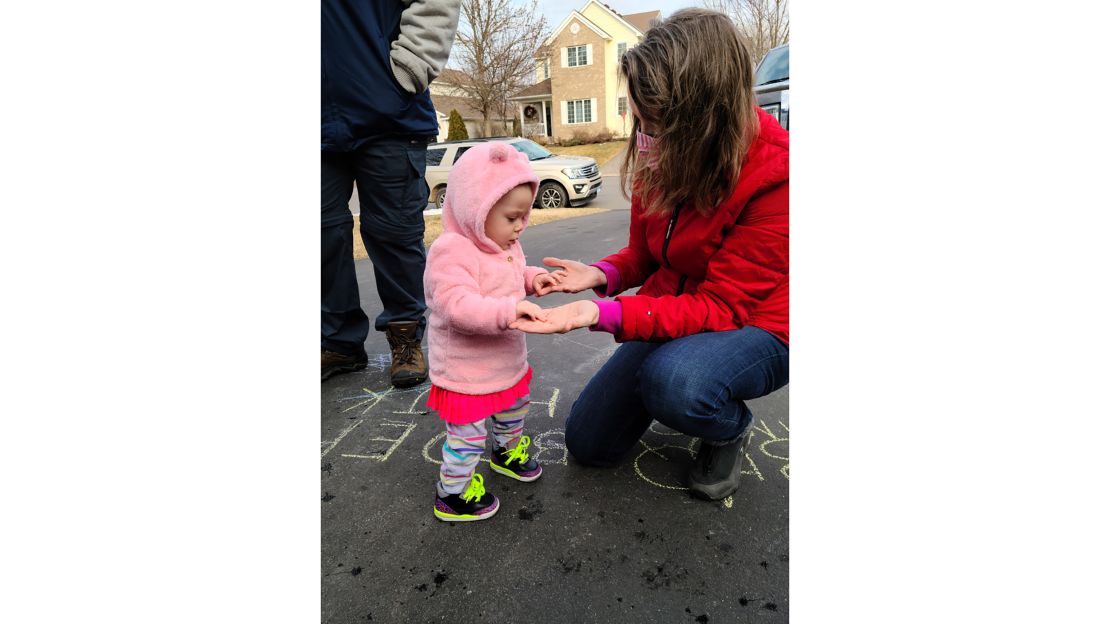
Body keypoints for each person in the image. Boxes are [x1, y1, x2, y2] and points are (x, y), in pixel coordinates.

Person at [512, 8, 789, 502]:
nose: (644, 138)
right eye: (640, 119)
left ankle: (727, 428)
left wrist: (600, 314)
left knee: (678, 382)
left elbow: (722, 307)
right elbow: (644, 255)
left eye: (656, 125)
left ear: (703, 118)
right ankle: (685, 375)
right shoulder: (660, 149)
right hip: (677, 306)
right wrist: (597, 277)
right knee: (589, 444)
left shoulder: (777, 177)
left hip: (757, 322)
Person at [321, 0, 462, 386]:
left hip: (388, 109)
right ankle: (336, 341)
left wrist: (407, 70)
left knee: (395, 231)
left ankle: (405, 336)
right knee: (320, 234)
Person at [423, 142, 563, 522]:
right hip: (466, 372)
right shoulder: (452, 251)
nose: (520, 225)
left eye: (524, 216)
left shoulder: (506, 245)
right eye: (511, 217)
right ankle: (452, 494)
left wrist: (535, 279)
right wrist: (508, 310)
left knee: (514, 410)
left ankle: (505, 452)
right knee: (466, 437)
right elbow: (456, 306)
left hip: (506, 363)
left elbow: (515, 274)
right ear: (476, 209)